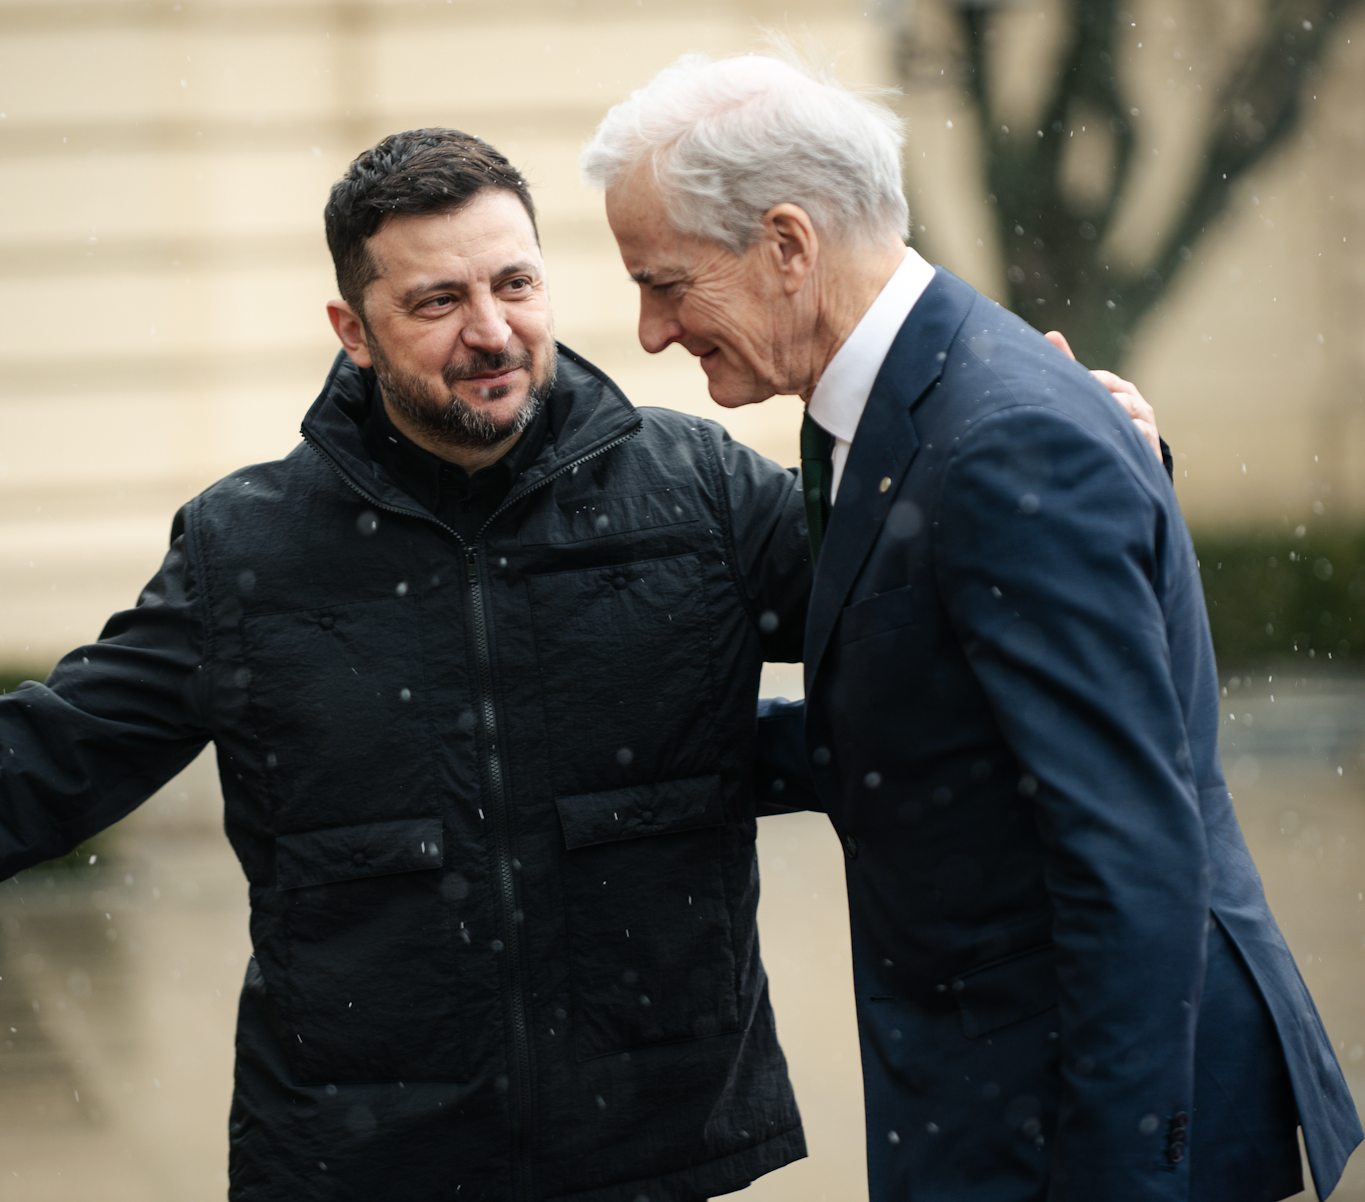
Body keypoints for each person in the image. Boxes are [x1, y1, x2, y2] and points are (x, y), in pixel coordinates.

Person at [0, 128, 1159, 1201]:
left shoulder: (698, 494)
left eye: (517, 283)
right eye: (438, 300)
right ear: (353, 326)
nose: (494, 330)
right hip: (363, 1157)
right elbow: (36, 763)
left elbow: (919, 630)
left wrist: (1078, 455)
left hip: (653, 1145)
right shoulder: (250, 550)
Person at [583, 53, 1362, 1202]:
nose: (651, 330)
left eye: (665, 283)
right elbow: (924, 726)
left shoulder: (1002, 438)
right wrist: (610, 752)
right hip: (1003, 1092)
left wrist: (1118, 1181)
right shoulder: (900, 408)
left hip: (1087, 1117)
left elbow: (1130, 855)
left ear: (788, 245)